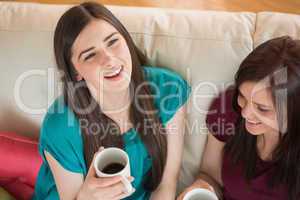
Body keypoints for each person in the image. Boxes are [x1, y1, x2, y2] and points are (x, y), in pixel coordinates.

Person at [33, 2, 190, 200]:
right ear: (75, 72)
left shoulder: (168, 90)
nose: (109, 59)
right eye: (90, 55)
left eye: (113, 41)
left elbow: (166, 184)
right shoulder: (60, 126)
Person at [177, 36, 300, 200]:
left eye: (262, 108)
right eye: (242, 96)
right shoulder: (228, 109)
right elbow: (210, 175)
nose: (245, 113)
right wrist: (203, 188)